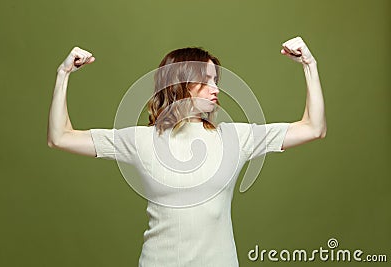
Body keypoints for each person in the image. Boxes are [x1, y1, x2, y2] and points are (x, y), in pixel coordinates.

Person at [47, 36, 326, 266]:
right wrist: (63, 74)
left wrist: (309, 65)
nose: (215, 89)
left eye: (216, 80)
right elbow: (60, 137)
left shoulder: (235, 137)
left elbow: (314, 128)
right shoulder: (140, 141)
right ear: (178, 83)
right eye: (206, 81)